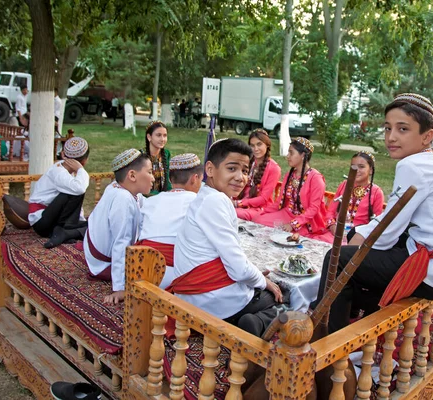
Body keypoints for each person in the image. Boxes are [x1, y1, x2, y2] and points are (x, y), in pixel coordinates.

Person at [313, 93, 433, 334]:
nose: (391, 137)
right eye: (388, 128)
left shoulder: (411, 165)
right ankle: (352, 314)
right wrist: (362, 234)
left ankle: (329, 338)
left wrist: (357, 238)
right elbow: (394, 218)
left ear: (427, 136)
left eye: (403, 129)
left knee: (337, 259)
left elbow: (386, 233)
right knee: (363, 255)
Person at [171, 138, 284, 337]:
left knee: (260, 280)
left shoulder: (208, 196)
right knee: (281, 296)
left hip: (194, 294)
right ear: (210, 169)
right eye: (232, 169)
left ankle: (251, 319)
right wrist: (262, 281)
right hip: (209, 300)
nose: (241, 177)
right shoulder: (215, 201)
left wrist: (255, 275)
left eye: (245, 170)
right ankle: (256, 322)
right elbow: (239, 270)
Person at [84, 149, 154, 304]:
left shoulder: (119, 187)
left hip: (96, 254)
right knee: (155, 269)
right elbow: (121, 244)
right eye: (149, 172)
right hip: (103, 265)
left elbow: (148, 205)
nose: (153, 178)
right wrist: (120, 287)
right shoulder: (123, 199)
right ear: (132, 176)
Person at [137, 153, 204, 289]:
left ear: (170, 178)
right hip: (172, 277)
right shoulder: (198, 203)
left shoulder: (151, 201)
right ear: (195, 178)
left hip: (140, 269)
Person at [253, 137, 329, 242]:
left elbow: (313, 209)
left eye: (291, 153)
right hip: (288, 214)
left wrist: (293, 224)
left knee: (286, 236)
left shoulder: (316, 178)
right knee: (258, 220)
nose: (287, 156)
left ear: (303, 155)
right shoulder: (290, 175)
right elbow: (279, 201)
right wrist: (263, 212)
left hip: (306, 222)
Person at [28, 137, 90, 248]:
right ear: (85, 161)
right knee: (75, 190)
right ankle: (66, 230)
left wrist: (81, 221)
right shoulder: (58, 172)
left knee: (94, 226)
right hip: (42, 222)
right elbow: (79, 189)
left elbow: (76, 203)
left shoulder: (67, 171)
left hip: (53, 221)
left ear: (63, 154)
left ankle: (66, 232)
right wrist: (80, 169)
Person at [325, 151, 385, 242]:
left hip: (358, 238)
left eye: (361, 167)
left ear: (371, 170)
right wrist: (333, 227)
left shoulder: (377, 192)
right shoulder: (344, 185)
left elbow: (375, 224)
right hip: (335, 234)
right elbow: (330, 212)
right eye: (353, 166)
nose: (356, 170)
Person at [234, 129, 281, 221]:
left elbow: (263, 199)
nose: (255, 149)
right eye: (252, 145)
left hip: (260, 209)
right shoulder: (249, 163)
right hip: (242, 202)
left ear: (267, 145)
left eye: (259, 144)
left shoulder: (274, 168)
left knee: (232, 212)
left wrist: (237, 203)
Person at [142, 120, 172, 195]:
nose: (162, 139)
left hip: (163, 196)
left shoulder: (166, 154)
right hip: (145, 196)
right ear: (149, 137)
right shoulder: (140, 156)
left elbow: (167, 179)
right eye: (158, 135)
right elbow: (140, 183)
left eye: (165, 135)